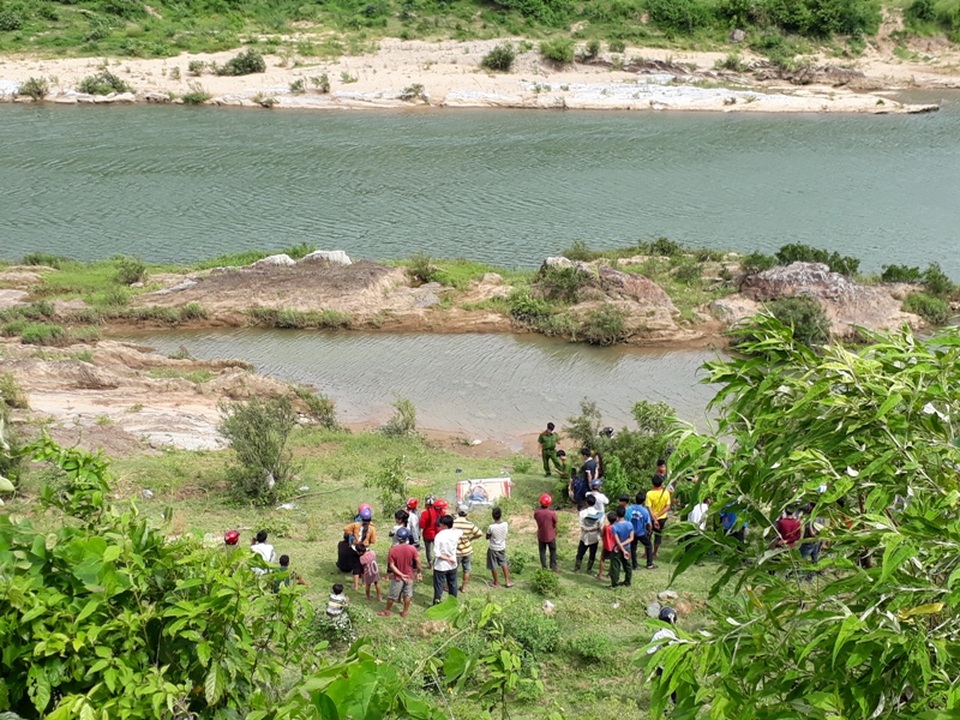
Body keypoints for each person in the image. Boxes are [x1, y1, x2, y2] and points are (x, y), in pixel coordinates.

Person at [378, 527, 421, 617]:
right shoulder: (412, 549)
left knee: (392, 595)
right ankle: (405, 612)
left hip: (398, 577)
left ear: (397, 538)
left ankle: (387, 610)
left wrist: (401, 575)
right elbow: (418, 561)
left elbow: (392, 565)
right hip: (409, 575)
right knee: (407, 595)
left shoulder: (393, 550)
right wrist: (419, 572)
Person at [648, 606, 680, 705]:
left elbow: (650, 650)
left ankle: (662, 707)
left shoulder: (659, 635)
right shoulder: (678, 634)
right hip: (675, 664)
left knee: (661, 687)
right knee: (674, 686)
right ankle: (675, 704)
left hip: (662, 666)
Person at [453, 503, 484, 592]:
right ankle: (464, 587)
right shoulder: (470, 524)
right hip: (467, 550)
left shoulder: (453, 523)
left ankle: (450, 586)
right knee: (466, 569)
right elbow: (480, 533)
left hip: (456, 551)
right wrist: (471, 539)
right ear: (466, 513)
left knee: (453, 569)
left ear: (458, 512)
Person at [432, 514, 462, 604]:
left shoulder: (439, 536)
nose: (439, 525)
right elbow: (460, 531)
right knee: (453, 585)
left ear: (445, 525)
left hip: (441, 566)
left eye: (441, 523)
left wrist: (447, 558)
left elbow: (437, 553)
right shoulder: (456, 533)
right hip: (452, 564)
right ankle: (453, 603)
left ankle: (437, 603)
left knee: (439, 586)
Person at [574, 494, 604, 573]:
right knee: (592, 553)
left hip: (584, 535)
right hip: (594, 536)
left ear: (586, 502)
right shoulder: (599, 514)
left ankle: (577, 568)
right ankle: (589, 569)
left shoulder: (582, 513)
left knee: (580, 552)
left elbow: (581, 525)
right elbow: (600, 526)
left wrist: (586, 528)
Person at [624, 492, 655, 570]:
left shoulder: (630, 508)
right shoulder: (644, 511)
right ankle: (649, 564)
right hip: (640, 532)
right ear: (644, 501)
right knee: (649, 545)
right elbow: (649, 523)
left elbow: (626, 519)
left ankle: (634, 565)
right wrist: (649, 531)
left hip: (631, 532)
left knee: (633, 548)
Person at [486, 507, 514, 588]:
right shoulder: (505, 524)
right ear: (500, 515)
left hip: (493, 548)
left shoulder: (491, 527)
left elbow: (487, 537)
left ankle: (496, 582)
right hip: (502, 547)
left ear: (492, 516)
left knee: (493, 565)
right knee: (504, 563)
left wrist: (490, 536)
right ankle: (507, 581)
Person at [645, 476, 672, 561]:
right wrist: (658, 515)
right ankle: (655, 552)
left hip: (650, 517)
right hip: (662, 518)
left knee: (648, 535)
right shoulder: (666, 493)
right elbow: (667, 507)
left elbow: (648, 507)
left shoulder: (649, 493)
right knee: (658, 535)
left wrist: (654, 517)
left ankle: (646, 553)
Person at [610, 506, 635, 588]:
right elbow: (631, 538)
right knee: (628, 565)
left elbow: (617, 541)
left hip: (617, 549)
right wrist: (624, 549)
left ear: (616, 514)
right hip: (627, 548)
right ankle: (628, 581)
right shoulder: (630, 524)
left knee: (615, 566)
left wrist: (621, 549)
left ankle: (614, 583)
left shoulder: (614, 527)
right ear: (624, 514)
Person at [534, 493, 558, 571]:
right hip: (551, 535)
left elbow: (536, 519)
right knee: (553, 551)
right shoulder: (552, 513)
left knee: (542, 552)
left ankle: (544, 567)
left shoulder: (537, 513)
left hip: (541, 535)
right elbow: (555, 522)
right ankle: (553, 567)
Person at [596, 511, 618, 580]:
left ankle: (600, 575)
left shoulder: (606, 527)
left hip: (606, 546)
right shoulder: (617, 527)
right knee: (612, 561)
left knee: (602, 559)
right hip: (614, 547)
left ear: (608, 519)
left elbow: (602, 534)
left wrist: (599, 530)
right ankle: (610, 574)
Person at [420, 496, 441, 564]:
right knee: (437, 549)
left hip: (427, 534)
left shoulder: (424, 513)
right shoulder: (439, 513)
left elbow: (422, 526)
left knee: (428, 550)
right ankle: (436, 562)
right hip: (437, 534)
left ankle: (430, 563)